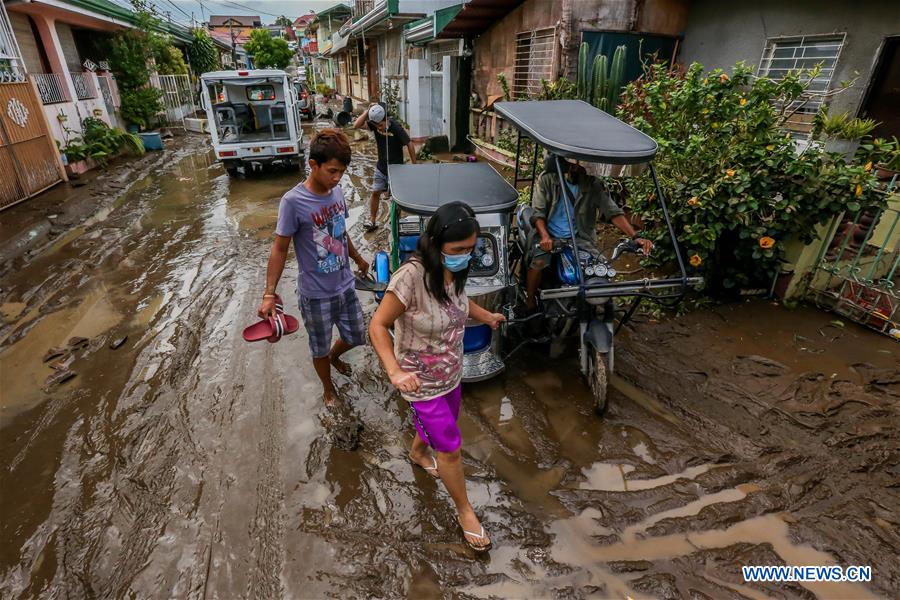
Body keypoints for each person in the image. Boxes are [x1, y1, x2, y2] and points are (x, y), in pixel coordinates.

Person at [369, 202, 505, 552]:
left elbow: (459, 302)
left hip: (451, 374)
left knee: (438, 430)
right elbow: (378, 325)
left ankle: (416, 453)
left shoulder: (454, 272)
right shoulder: (409, 278)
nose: (465, 257)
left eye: (471, 250)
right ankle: (465, 512)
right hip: (419, 382)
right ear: (435, 243)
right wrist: (395, 371)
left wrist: (486, 315)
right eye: (458, 250)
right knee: (450, 448)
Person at [259, 129, 370, 407]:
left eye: (342, 172)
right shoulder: (292, 201)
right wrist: (269, 293)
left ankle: (335, 357)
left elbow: (341, 233)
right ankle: (328, 389)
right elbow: (280, 248)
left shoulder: (337, 193)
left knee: (357, 334)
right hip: (315, 294)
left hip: (345, 285)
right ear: (313, 165)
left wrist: (357, 258)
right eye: (332, 171)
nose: (337, 178)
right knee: (318, 347)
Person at [525, 157, 654, 310]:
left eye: (581, 164)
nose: (577, 167)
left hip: (580, 237)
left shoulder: (593, 185)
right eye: (573, 163)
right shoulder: (547, 180)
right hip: (548, 234)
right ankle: (530, 300)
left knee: (600, 267)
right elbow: (538, 214)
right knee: (539, 262)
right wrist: (545, 237)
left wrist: (635, 236)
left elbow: (612, 212)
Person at [353, 103, 417, 231]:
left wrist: (414, 165)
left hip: (396, 170)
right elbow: (356, 125)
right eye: (376, 126)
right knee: (375, 192)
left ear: (386, 119)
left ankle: (397, 222)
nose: (379, 128)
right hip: (381, 167)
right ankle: (372, 220)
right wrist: (367, 111)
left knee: (397, 198)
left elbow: (409, 144)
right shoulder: (375, 123)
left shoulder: (397, 128)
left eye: (381, 125)